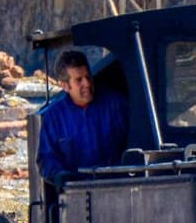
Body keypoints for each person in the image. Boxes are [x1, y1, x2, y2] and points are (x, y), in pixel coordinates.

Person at [35, 49, 129, 185]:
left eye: (88, 76)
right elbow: (46, 158)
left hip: (116, 187)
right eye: (79, 80)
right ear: (65, 86)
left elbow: (135, 143)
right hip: (76, 193)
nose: (87, 84)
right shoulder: (54, 117)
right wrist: (58, 175)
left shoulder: (116, 105)